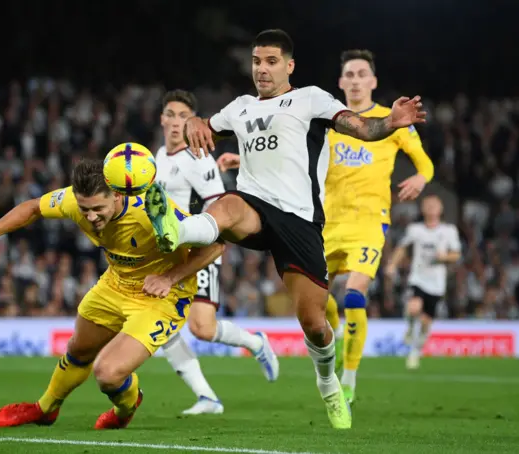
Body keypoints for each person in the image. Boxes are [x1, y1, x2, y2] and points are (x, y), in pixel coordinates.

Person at [143, 29, 426, 429]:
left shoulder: (310, 98)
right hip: (254, 207)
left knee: (315, 324)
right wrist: (193, 122)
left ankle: (328, 386)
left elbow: (360, 127)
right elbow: (205, 123)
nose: (262, 68)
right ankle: (175, 230)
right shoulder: (239, 108)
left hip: (299, 220)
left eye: (271, 61)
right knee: (227, 205)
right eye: (257, 61)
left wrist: (392, 122)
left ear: (289, 66)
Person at [216, 48, 435, 405]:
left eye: (362, 73)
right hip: (325, 223)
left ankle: (349, 378)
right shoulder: (330, 119)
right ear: (341, 81)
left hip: (368, 222)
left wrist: (421, 181)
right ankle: (334, 351)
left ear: (373, 81)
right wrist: (244, 158)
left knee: (354, 295)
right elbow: (292, 155)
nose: (355, 80)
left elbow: (425, 163)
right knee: (320, 308)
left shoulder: (388, 121)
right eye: (349, 74)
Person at [0, 159, 223, 430]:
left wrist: (169, 277)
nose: (91, 217)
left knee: (107, 374)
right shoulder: (72, 200)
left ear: (117, 196)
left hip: (161, 297)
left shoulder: (151, 213)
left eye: (98, 209)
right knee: (79, 350)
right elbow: (34, 207)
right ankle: (45, 409)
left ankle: (125, 408)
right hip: (116, 283)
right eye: (85, 210)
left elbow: (216, 245)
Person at [156, 89, 279, 415]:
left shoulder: (197, 158)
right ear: (162, 119)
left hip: (199, 251)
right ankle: (207, 397)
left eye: (184, 116)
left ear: (190, 123)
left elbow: (218, 205)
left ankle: (256, 343)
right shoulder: (156, 156)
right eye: (171, 114)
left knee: (202, 328)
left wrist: (206, 248)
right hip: (170, 255)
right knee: (162, 324)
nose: (175, 122)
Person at [385, 195, 461, 369]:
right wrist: (392, 265)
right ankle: (411, 328)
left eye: (435, 205)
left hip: (437, 283)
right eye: (428, 205)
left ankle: (416, 352)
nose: (431, 207)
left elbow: (456, 254)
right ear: (423, 209)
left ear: (441, 209)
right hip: (418, 278)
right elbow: (402, 248)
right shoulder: (415, 229)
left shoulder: (449, 231)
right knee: (413, 307)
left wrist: (445, 257)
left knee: (426, 322)